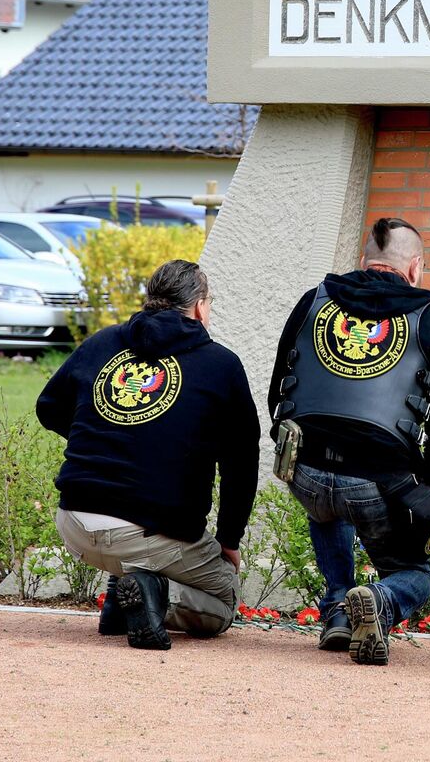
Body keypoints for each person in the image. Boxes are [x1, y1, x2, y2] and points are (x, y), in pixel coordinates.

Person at [269, 216, 430, 666]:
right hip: (378, 481)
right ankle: (380, 601)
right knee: (416, 574)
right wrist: (428, 483)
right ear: (414, 269)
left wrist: (292, 448)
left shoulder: (313, 300)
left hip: (306, 470)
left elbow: (279, 383)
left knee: (326, 511)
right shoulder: (428, 317)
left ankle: (337, 609)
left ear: (363, 262)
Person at [36, 259, 259, 650]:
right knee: (224, 599)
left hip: (74, 520)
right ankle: (151, 595)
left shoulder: (102, 342)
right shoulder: (221, 365)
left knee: (134, 536)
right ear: (200, 307)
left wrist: (107, 434)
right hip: (150, 533)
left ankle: (120, 597)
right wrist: (229, 539)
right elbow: (242, 462)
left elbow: (49, 407)